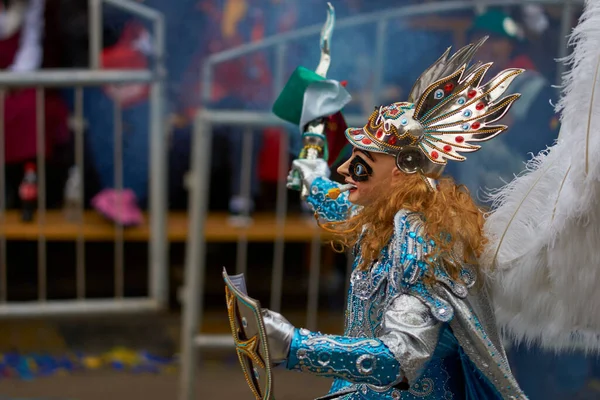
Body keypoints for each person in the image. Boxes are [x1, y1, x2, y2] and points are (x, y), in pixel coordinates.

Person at [260, 37, 527, 399]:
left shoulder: (424, 242)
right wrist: (312, 153)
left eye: (359, 165)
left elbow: (400, 358)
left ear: (404, 170)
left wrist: (294, 345)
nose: (344, 170)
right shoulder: (381, 214)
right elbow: (331, 199)